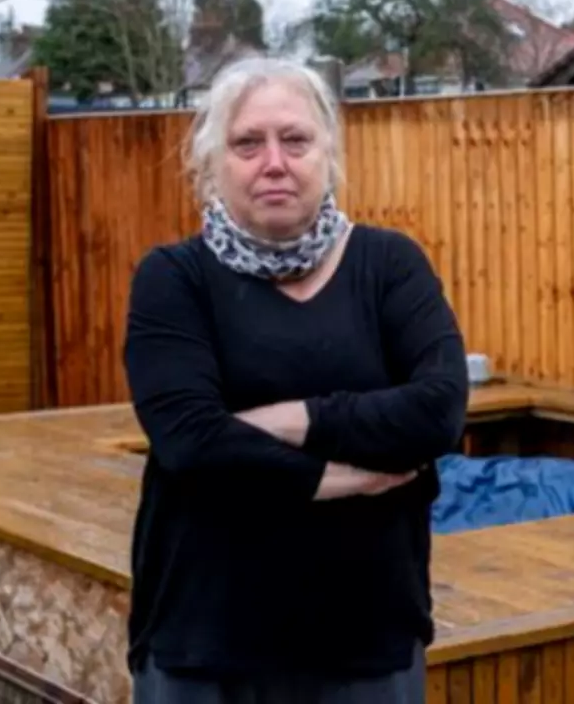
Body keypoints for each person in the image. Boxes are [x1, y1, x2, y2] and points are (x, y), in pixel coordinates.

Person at [123, 56, 469, 704]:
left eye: (295, 139)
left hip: (368, 642)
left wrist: (292, 420)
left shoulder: (389, 266)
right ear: (211, 165)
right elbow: (191, 444)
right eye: (247, 143)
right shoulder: (174, 279)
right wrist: (349, 477)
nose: (274, 162)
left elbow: (439, 411)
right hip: (205, 646)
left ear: (328, 154)